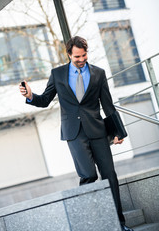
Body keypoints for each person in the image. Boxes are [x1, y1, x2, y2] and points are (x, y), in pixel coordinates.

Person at [19, 36, 133, 231]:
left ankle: (119, 224)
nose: (81, 59)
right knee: (88, 175)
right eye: (77, 56)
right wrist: (30, 96)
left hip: (97, 131)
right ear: (69, 55)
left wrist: (119, 132)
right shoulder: (58, 74)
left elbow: (108, 105)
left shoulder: (98, 73)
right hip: (74, 133)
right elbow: (46, 100)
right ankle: (90, 221)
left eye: (84, 55)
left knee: (109, 175)